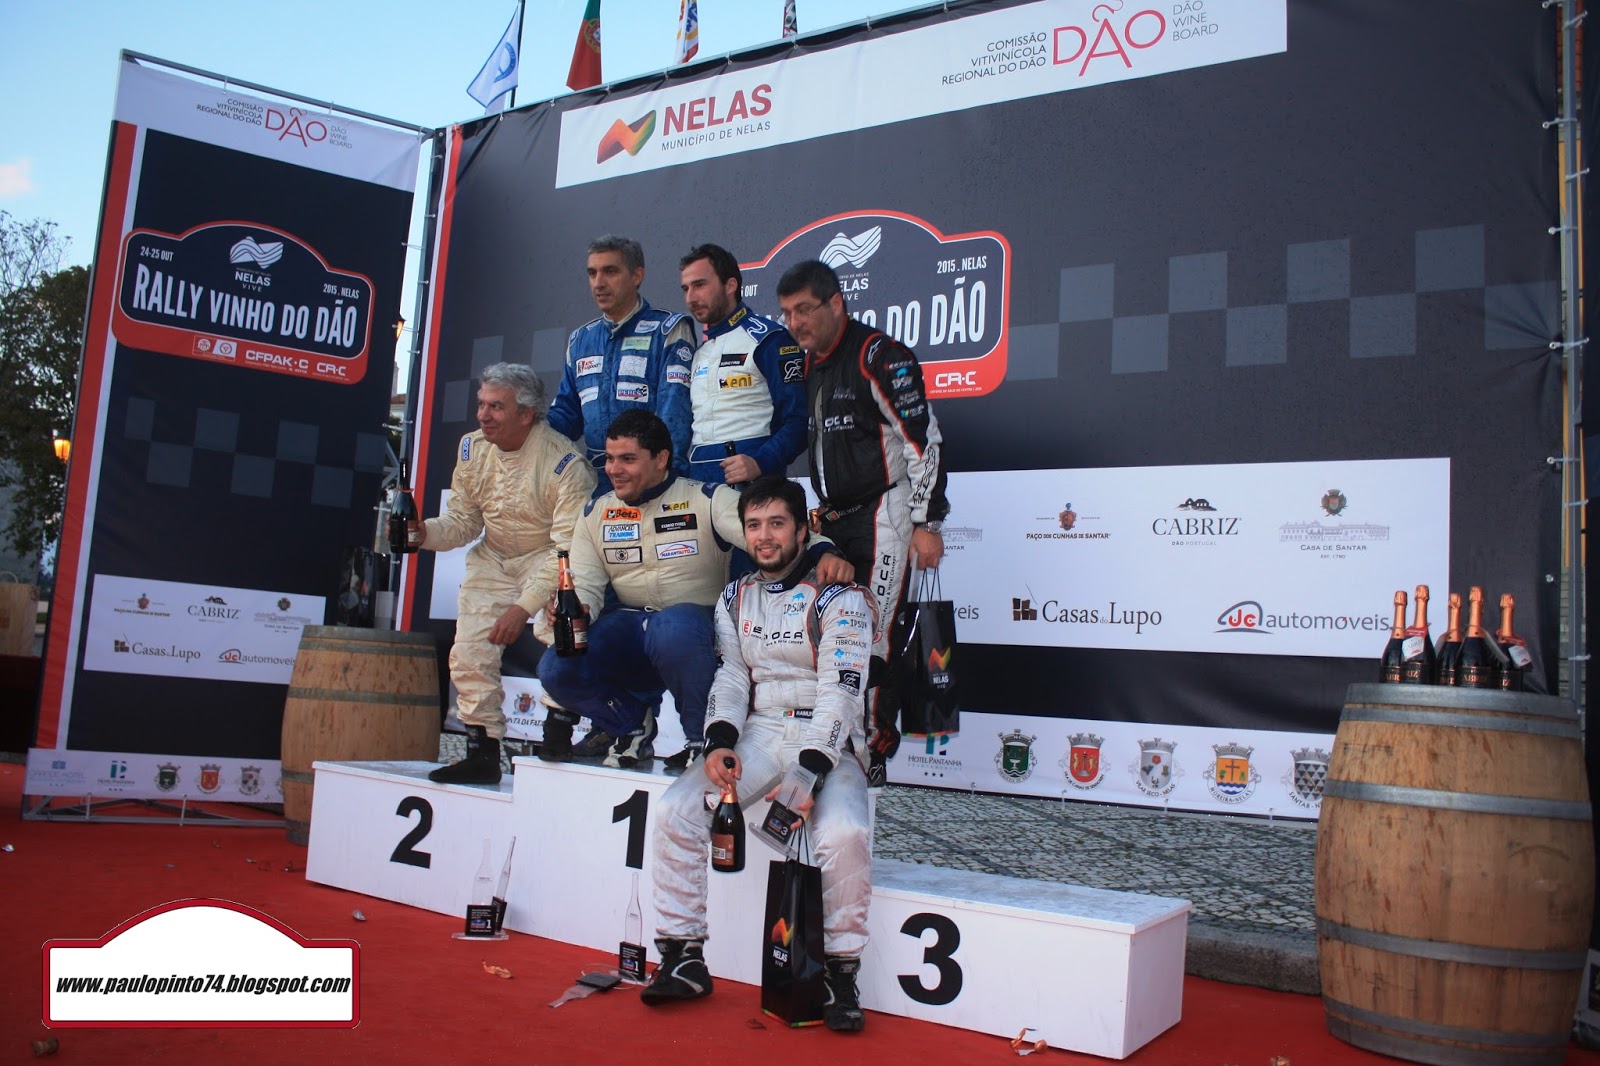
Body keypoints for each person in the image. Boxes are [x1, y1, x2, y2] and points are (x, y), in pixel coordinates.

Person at [641, 475, 873, 1033]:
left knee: (844, 832)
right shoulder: (735, 595)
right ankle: (683, 956)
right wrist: (719, 742)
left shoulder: (842, 596)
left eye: (777, 524)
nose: (765, 537)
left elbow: (841, 693)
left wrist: (810, 772)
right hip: (761, 734)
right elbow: (730, 676)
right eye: (754, 525)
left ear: (802, 530)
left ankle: (840, 976)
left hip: (830, 741)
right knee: (675, 810)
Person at [536, 412, 852, 769]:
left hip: (695, 637)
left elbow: (769, 537)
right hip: (630, 633)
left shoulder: (706, 498)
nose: (613, 469)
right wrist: (576, 609)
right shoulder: (596, 513)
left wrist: (825, 551)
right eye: (609, 458)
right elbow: (585, 588)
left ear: (661, 458)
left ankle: (702, 741)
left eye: (627, 459)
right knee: (557, 666)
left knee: (674, 625)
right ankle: (629, 725)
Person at [774, 259, 950, 785]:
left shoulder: (881, 356)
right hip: (834, 520)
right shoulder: (806, 363)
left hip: (885, 516)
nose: (795, 323)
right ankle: (833, 738)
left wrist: (929, 522)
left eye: (804, 310)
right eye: (786, 313)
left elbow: (924, 442)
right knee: (835, 630)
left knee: (875, 636)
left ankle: (871, 749)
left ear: (836, 303)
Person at [407, 363, 595, 785]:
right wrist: (423, 533)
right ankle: (482, 753)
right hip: (492, 556)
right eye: (481, 404)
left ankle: (558, 736)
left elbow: (567, 549)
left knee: (562, 630)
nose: (483, 415)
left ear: (526, 414)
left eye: (496, 407)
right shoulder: (471, 448)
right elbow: (463, 521)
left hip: (550, 559)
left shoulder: (565, 463)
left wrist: (523, 607)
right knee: (469, 652)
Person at [547, 235, 698, 497]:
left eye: (610, 271)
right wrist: (528, 427)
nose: (599, 283)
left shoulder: (668, 330)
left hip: (652, 481)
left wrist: (662, 479)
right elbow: (566, 416)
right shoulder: (580, 340)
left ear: (636, 275)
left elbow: (675, 417)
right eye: (592, 273)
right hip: (595, 483)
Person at [678, 243, 807, 487]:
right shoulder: (701, 352)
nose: (691, 298)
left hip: (753, 487)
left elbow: (799, 420)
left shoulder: (769, 339)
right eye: (686, 289)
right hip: (700, 484)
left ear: (730, 285)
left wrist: (760, 462)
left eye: (700, 285)